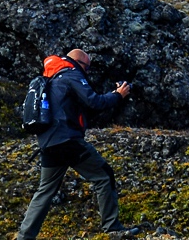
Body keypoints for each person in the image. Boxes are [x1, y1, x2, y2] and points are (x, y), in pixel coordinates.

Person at [17, 48, 134, 239]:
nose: (86, 73)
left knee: (45, 190)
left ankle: (25, 236)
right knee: (103, 176)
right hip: (68, 141)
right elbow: (94, 102)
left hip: (48, 143)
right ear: (79, 63)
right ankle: (112, 228)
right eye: (86, 68)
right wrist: (118, 95)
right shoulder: (71, 74)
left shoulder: (52, 78)